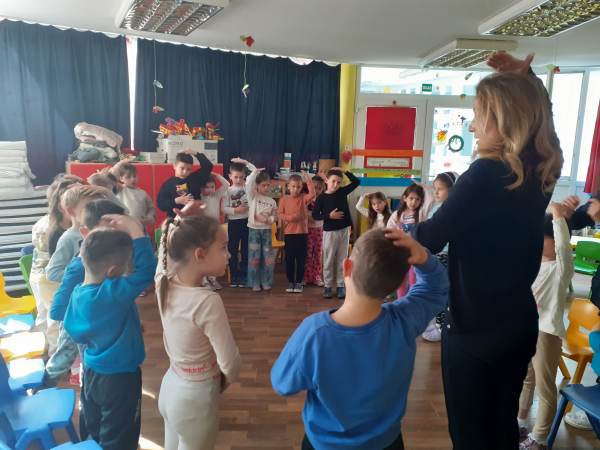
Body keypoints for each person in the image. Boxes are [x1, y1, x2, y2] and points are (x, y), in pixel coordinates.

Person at [413, 52, 563, 449]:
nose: (473, 125)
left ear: (501, 119)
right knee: (500, 430)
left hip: (475, 330)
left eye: (479, 115)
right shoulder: (542, 169)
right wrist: (528, 78)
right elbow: (546, 126)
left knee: (471, 438)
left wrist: (391, 235)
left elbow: (429, 236)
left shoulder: (484, 174)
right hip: (517, 324)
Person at [271, 228, 448, 450]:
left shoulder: (314, 333)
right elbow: (436, 288)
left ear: (347, 267)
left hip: (325, 445)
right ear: (398, 282)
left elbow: (283, 384)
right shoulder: (404, 321)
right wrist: (423, 257)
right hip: (387, 443)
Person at [64, 214, 156, 450]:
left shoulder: (77, 293)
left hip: (92, 373)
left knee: (94, 425)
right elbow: (147, 271)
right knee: (120, 436)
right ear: (113, 272)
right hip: (121, 378)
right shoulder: (111, 294)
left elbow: (75, 332)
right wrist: (137, 232)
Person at [156, 208, 241, 450]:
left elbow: (164, 252)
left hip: (170, 387)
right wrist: (219, 384)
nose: (229, 255)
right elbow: (231, 364)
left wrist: (178, 222)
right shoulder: (207, 301)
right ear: (200, 254)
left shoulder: (162, 281)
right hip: (195, 398)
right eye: (223, 248)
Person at [45, 199, 126, 387]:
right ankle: (46, 381)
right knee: (67, 354)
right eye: (109, 231)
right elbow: (62, 297)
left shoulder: (102, 256)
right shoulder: (82, 263)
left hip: (87, 313)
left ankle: (84, 380)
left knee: (86, 355)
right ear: (87, 232)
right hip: (71, 315)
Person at [518, 203, 574, 450]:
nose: (537, 245)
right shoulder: (534, 264)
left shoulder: (560, 269)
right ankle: (521, 422)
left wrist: (558, 217)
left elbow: (563, 248)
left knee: (545, 387)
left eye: (543, 241)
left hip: (547, 333)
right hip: (528, 328)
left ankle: (539, 438)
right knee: (526, 378)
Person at [29, 174, 81, 353]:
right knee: (54, 320)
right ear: (63, 207)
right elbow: (56, 266)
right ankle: (54, 354)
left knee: (44, 316)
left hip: (39, 274)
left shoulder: (47, 222)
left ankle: (42, 351)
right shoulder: (58, 231)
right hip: (48, 279)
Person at [312, 168, 360, 299]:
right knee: (328, 259)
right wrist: (329, 216)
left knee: (342, 259)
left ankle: (340, 285)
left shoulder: (342, 192)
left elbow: (357, 182)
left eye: (339, 182)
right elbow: (315, 215)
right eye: (333, 181)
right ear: (326, 180)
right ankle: (328, 286)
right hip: (329, 232)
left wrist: (344, 171)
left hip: (344, 231)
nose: (336, 184)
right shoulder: (321, 198)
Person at [420, 172, 458, 342]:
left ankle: (442, 326)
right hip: (435, 255)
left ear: (452, 190)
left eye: (440, 189)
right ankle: (436, 322)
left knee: (442, 291)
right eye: (434, 189)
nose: (435, 192)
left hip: (445, 255)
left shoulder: (451, 209)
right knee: (434, 290)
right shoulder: (438, 206)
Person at [234, 158, 277, 292]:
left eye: (268, 185)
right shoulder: (252, 196)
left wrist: (268, 220)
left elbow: (275, 217)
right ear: (257, 185)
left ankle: (266, 281)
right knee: (254, 257)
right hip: (254, 231)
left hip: (266, 231)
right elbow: (248, 183)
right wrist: (251, 168)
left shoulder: (272, 201)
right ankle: (254, 282)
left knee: (267, 258)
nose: (266, 188)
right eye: (263, 185)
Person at [278, 172, 316, 293]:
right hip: (289, 234)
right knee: (289, 258)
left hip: (302, 234)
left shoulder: (304, 198)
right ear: (288, 186)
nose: (296, 189)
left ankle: (299, 282)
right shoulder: (284, 199)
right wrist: (291, 218)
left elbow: (313, 194)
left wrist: (308, 179)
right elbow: (280, 214)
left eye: (298, 186)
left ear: (301, 187)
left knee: (301, 259)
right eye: (293, 186)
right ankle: (290, 281)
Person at [157, 151, 214, 218]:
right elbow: (160, 204)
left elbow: (208, 166)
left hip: (194, 219)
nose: (185, 171)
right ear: (175, 166)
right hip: (175, 219)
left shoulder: (195, 178)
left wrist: (195, 153)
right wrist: (176, 201)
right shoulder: (168, 184)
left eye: (188, 169)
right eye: (182, 168)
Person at [223, 160, 251, 288]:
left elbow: (255, 171)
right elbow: (224, 209)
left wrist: (245, 162)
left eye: (241, 177)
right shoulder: (227, 191)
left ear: (245, 176)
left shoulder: (247, 188)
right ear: (230, 176)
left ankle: (244, 275)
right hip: (233, 223)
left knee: (246, 250)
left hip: (247, 223)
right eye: (236, 177)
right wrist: (236, 210)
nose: (238, 180)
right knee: (232, 250)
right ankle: (234, 275)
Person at [113, 161, 155, 227]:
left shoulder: (143, 193)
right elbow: (110, 181)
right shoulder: (120, 189)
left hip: (140, 225)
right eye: (128, 177)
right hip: (123, 226)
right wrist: (118, 166)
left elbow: (151, 208)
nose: (133, 179)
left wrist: (149, 217)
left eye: (134, 176)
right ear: (121, 178)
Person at [304, 175, 326, 287]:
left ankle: (317, 276)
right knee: (307, 254)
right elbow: (303, 212)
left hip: (319, 230)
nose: (316, 190)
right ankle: (306, 277)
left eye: (319, 188)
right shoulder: (306, 199)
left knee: (318, 254)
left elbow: (325, 214)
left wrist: (317, 216)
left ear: (323, 189)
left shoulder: (324, 200)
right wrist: (310, 216)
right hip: (307, 229)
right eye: (314, 187)